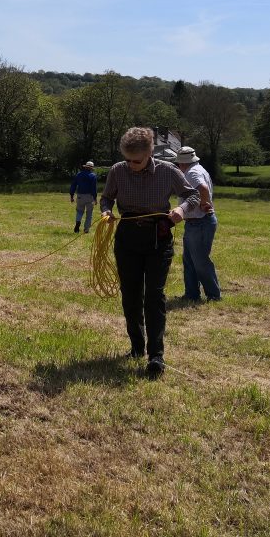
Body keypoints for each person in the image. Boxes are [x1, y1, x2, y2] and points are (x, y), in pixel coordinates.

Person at [100, 127, 200, 377]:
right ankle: (136, 347)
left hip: (158, 238)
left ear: (149, 154)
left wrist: (182, 210)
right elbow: (106, 198)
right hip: (127, 238)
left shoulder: (168, 172)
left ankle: (156, 355)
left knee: (154, 297)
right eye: (127, 159)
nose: (131, 165)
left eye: (137, 160)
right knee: (130, 295)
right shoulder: (117, 171)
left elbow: (193, 195)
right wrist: (106, 211)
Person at [174, 146, 221, 303]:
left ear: (182, 163)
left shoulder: (192, 173)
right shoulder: (199, 169)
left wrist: (204, 203)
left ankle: (213, 295)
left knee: (200, 261)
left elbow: (203, 188)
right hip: (196, 223)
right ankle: (192, 294)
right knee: (189, 260)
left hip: (199, 222)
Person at [69, 160, 98, 233]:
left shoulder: (79, 174)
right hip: (89, 196)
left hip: (80, 196)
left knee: (79, 211)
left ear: (85, 167)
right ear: (91, 168)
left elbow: (73, 185)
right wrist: (95, 198)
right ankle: (86, 229)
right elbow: (93, 188)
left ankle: (78, 222)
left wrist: (72, 196)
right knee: (89, 213)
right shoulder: (93, 176)